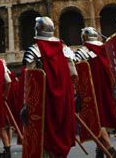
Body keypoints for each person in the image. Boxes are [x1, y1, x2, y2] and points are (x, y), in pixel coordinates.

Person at [22, 17, 77, 157]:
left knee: (44, 137)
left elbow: (29, 82)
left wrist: (26, 105)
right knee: (62, 131)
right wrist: (72, 94)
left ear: (37, 30)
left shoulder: (33, 51)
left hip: (44, 102)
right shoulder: (65, 49)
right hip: (64, 99)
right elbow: (74, 75)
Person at [74, 27, 116, 158]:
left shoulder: (83, 52)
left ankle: (113, 153)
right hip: (111, 92)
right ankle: (99, 153)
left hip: (93, 94)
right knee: (100, 123)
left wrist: (77, 94)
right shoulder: (108, 48)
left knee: (96, 123)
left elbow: (77, 74)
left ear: (84, 38)